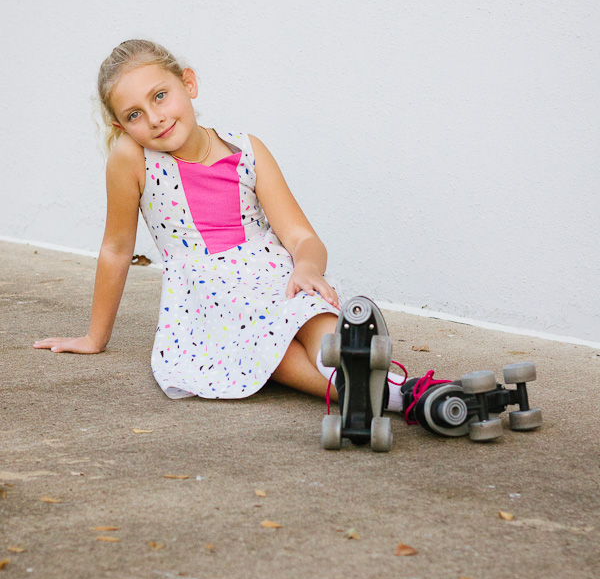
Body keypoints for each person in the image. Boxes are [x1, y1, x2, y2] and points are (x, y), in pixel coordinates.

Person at [34, 39, 403, 410]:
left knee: (310, 314)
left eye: (160, 96)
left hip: (274, 276)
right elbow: (116, 250)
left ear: (188, 84)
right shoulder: (132, 158)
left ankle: (375, 375)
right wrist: (95, 338)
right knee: (263, 347)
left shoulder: (247, 151)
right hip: (210, 296)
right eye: (134, 115)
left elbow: (301, 236)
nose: (154, 117)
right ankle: (388, 397)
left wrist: (306, 267)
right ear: (121, 126)